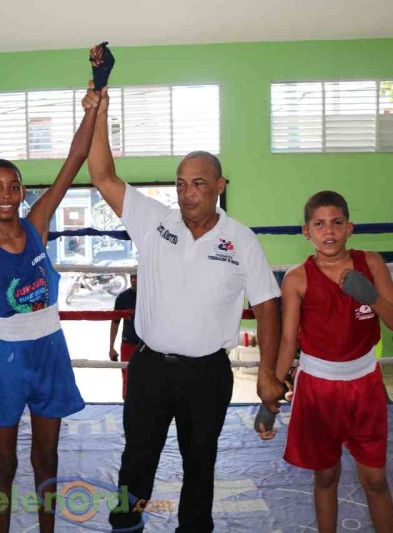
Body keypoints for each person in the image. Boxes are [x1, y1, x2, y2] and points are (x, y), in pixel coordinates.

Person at [87, 73, 283, 532]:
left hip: (206, 374)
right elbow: (102, 176)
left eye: (197, 183)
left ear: (219, 185)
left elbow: (268, 306)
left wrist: (268, 373)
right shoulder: (154, 221)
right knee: (137, 460)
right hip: (151, 368)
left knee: (200, 464)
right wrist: (100, 112)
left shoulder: (241, 240)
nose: (187, 192)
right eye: (180, 184)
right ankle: (126, 526)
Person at [0, 71, 101, 532]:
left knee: (47, 458)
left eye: (13, 186)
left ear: (22, 191)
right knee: (4, 462)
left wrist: (95, 98)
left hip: (51, 352)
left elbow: (75, 159)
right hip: (8, 360)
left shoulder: (37, 223)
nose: (6, 195)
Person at [259, 190, 393, 533]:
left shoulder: (371, 263)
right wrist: (269, 401)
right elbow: (288, 342)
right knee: (326, 476)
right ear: (306, 231)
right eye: (319, 224)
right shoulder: (297, 278)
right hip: (318, 388)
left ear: (349, 228)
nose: (328, 231)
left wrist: (372, 297)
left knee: (375, 479)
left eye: (337, 222)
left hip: (365, 384)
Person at [109, 273, 139, 399]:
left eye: (137, 277)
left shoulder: (150, 296)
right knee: (127, 377)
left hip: (147, 344)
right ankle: (127, 407)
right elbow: (115, 322)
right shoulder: (122, 298)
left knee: (148, 378)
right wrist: (111, 347)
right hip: (128, 343)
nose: (134, 280)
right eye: (132, 277)